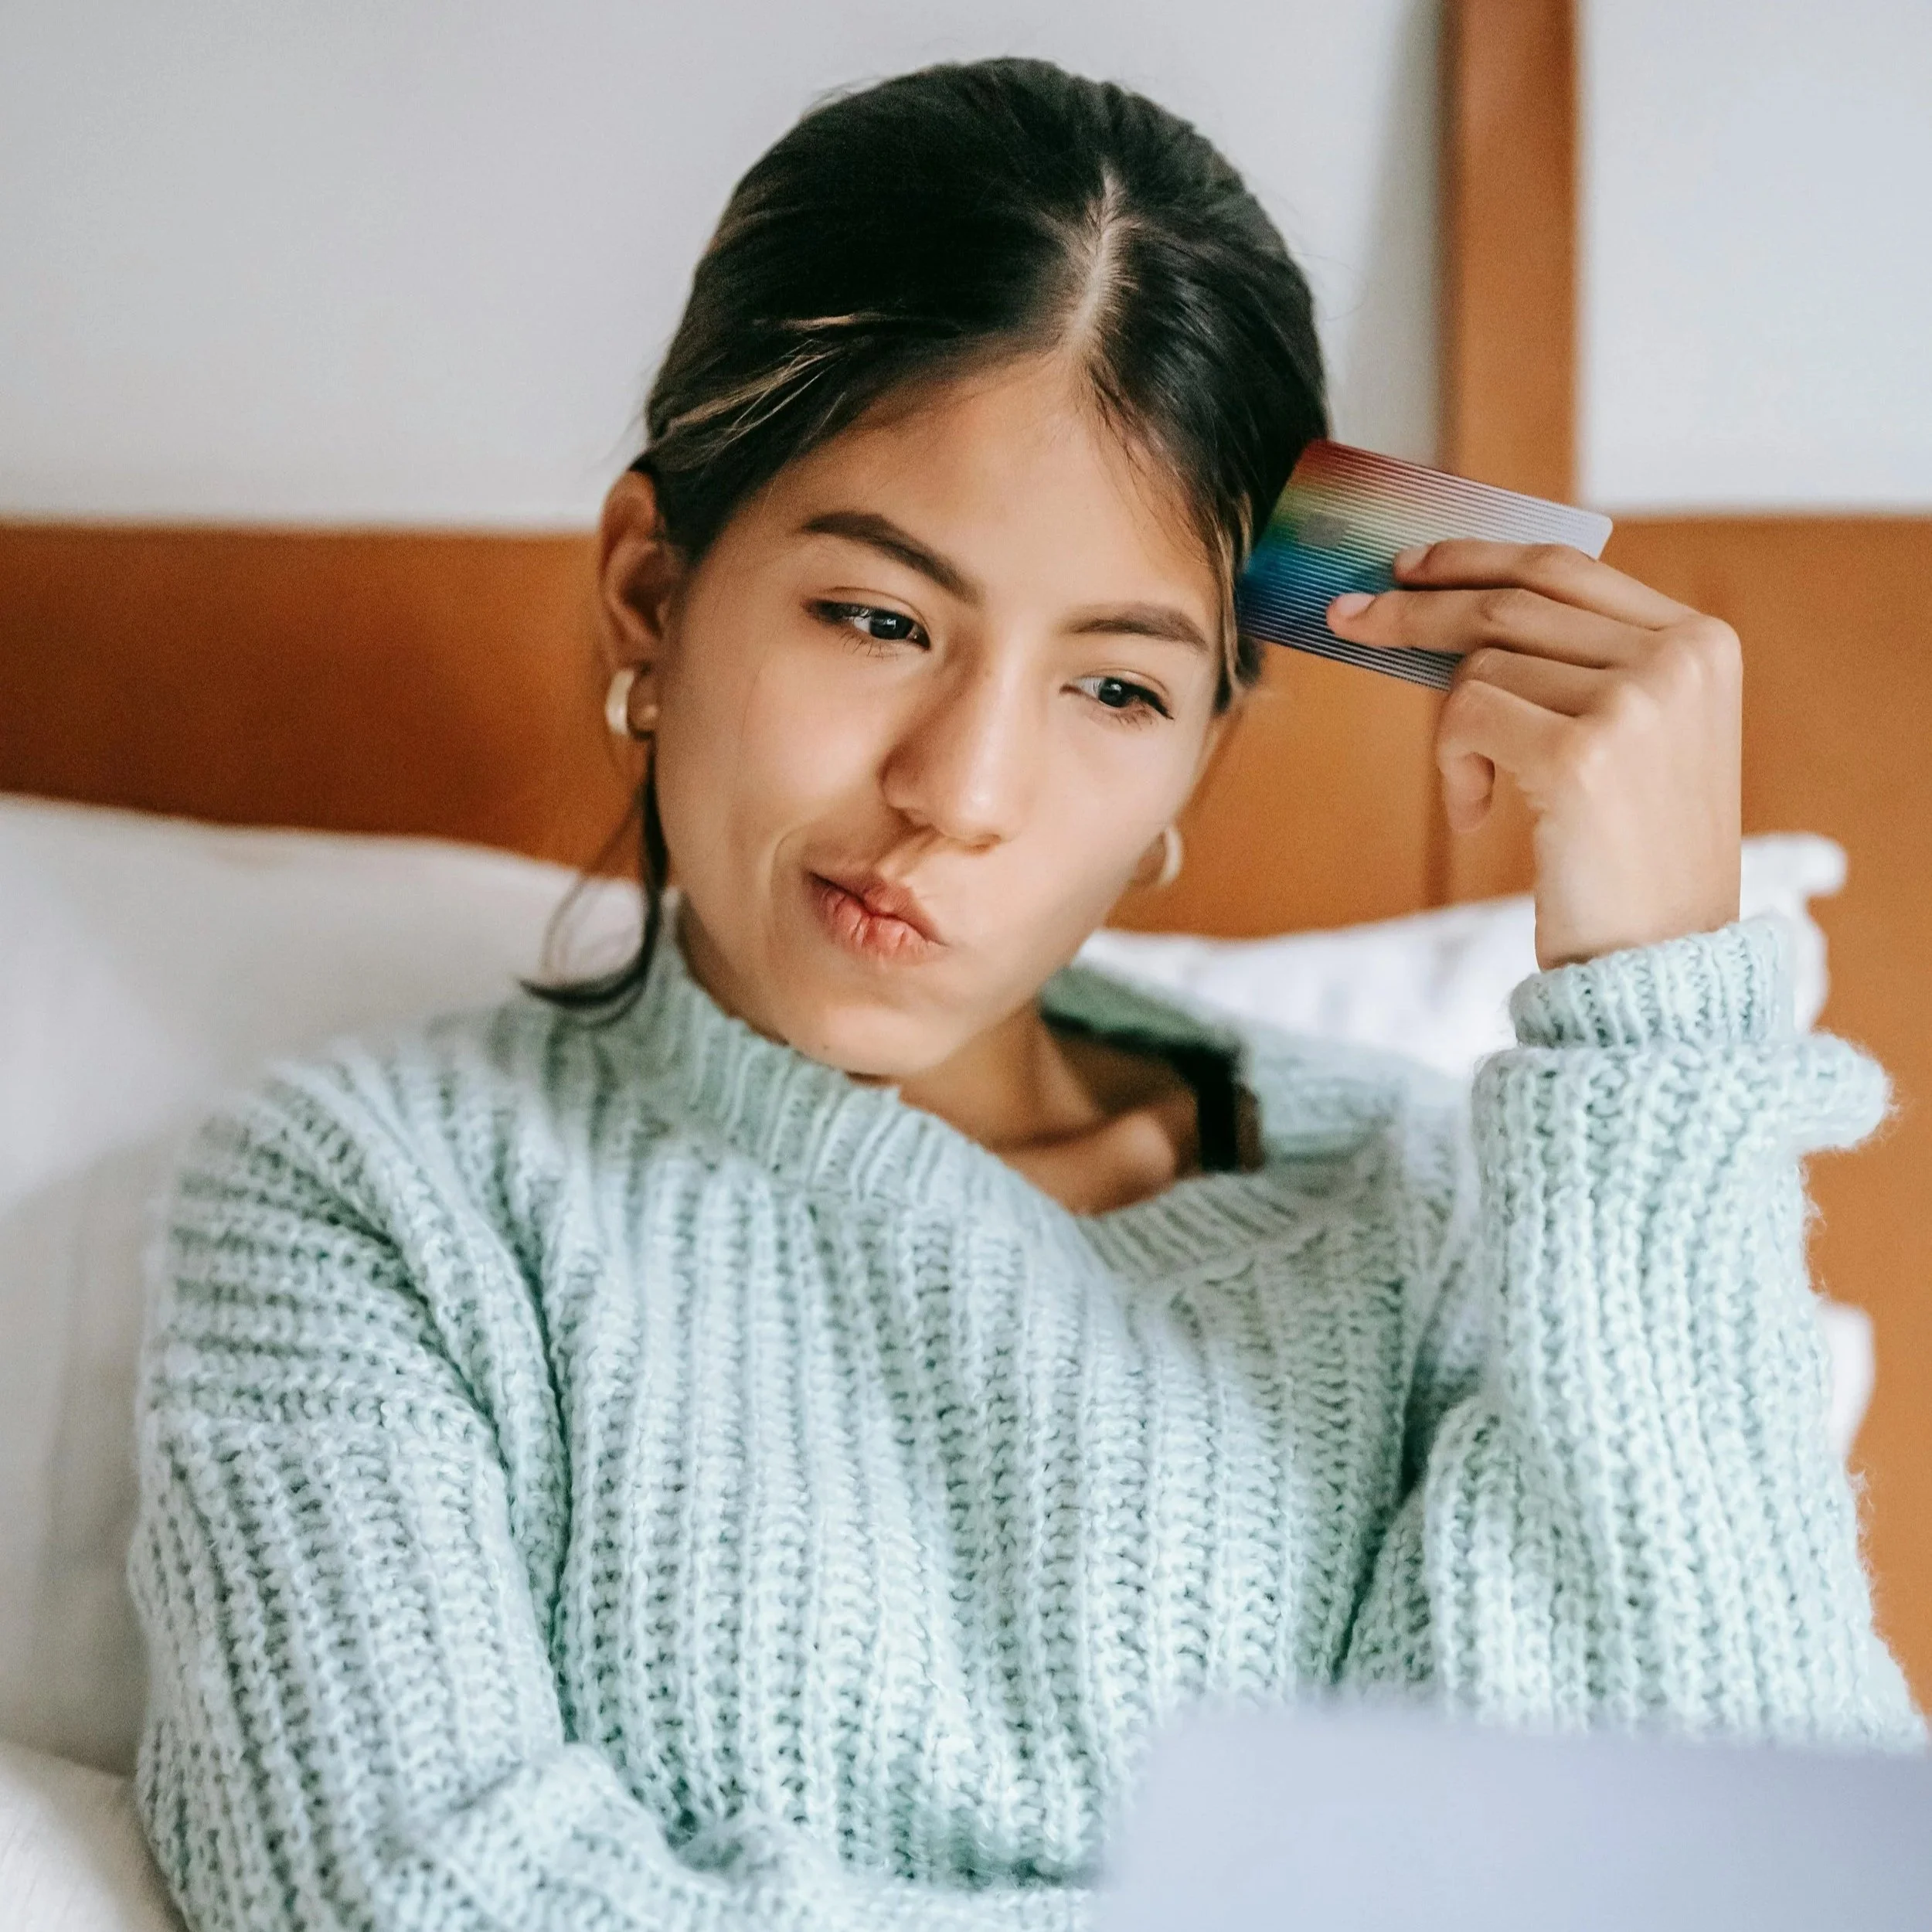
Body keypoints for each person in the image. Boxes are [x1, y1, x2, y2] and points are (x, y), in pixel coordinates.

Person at [128, 55, 1925, 1932]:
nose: (961, 792)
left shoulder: (1442, 1223)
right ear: (651, 593)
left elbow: (1742, 1878)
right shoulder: (373, 1202)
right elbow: (402, 1895)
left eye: (1116, 687)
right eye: (879, 618)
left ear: (1202, 750)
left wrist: (1651, 1018)